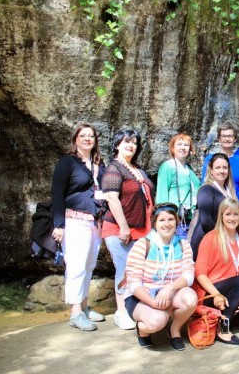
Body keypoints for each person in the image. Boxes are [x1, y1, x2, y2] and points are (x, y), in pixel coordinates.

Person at [51, 124, 106, 331]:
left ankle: (84, 306)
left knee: (89, 265)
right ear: (76, 139)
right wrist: (59, 224)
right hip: (74, 220)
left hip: (95, 221)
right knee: (76, 265)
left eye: (91, 136)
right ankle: (75, 313)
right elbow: (57, 193)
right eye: (83, 135)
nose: (87, 139)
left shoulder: (99, 162)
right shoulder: (68, 162)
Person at [124, 203, 198, 350]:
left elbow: (189, 276)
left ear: (176, 221)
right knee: (158, 320)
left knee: (190, 298)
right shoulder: (143, 245)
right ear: (155, 223)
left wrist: (169, 289)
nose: (167, 224)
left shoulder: (183, 245)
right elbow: (133, 283)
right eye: (162, 220)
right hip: (142, 296)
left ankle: (174, 331)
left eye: (170, 219)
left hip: (168, 294)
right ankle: (143, 330)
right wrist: (152, 302)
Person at [194, 198, 239, 345]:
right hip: (211, 291)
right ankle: (224, 329)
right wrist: (216, 294)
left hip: (235, 289)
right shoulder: (210, 238)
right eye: (228, 214)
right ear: (221, 216)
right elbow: (200, 274)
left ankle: (227, 315)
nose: (232, 218)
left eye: (235, 214)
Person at [102, 128, 155, 330]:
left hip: (142, 228)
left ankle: (137, 308)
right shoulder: (114, 168)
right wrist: (124, 227)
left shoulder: (137, 169)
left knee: (141, 270)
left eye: (134, 142)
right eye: (126, 141)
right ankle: (121, 312)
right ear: (117, 145)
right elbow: (111, 198)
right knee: (124, 270)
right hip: (119, 229)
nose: (131, 145)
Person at [201, 122, 239, 227]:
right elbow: (205, 182)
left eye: (230, 136)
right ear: (219, 139)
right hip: (216, 208)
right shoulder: (210, 158)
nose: (227, 139)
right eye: (224, 136)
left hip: (235, 209)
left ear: (235, 139)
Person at [190, 153, 236, 257]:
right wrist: (223, 238)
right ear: (211, 170)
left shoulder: (229, 191)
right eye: (218, 168)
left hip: (224, 241)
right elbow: (206, 222)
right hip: (207, 241)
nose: (221, 171)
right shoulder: (206, 190)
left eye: (224, 167)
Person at [156, 133, 200, 240]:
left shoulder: (189, 168)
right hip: (175, 220)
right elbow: (162, 195)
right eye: (179, 144)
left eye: (186, 145)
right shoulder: (167, 166)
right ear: (172, 148)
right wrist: (164, 220)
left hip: (191, 218)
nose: (183, 147)